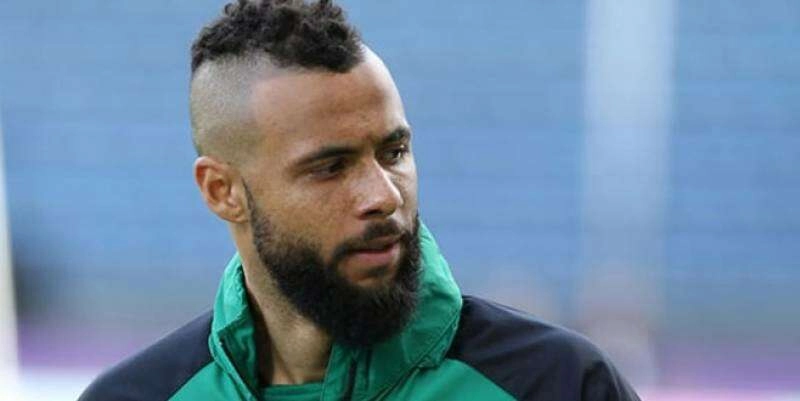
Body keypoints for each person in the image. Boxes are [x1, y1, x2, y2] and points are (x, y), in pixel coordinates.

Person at [79, 1, 640, 400]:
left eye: (394, 152)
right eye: (329, 167)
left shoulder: (558, 384)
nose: (383, 195)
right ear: (222, 191)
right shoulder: (135, 396)